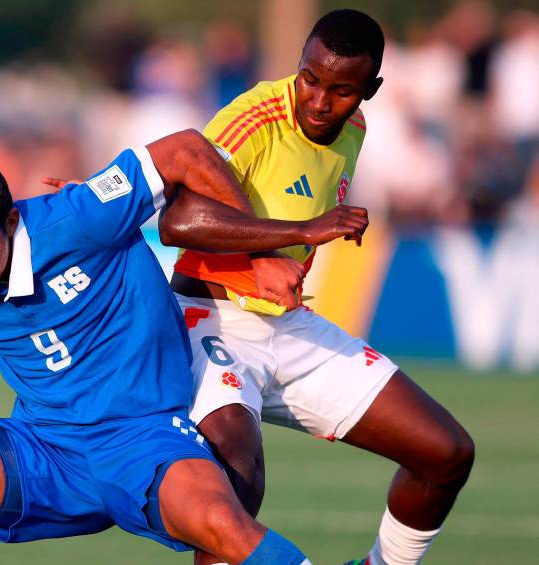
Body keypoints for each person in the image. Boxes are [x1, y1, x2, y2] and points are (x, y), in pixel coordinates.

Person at [0, 128, 369, 565]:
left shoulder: (80, 217)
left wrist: (260, 251)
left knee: (221, 520)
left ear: (10, 222)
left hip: (142, 441)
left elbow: (185, 149)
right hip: (43, 448)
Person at [160, 10, 475, 565]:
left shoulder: (354, 130)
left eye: (341, 90)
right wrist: (286, 240)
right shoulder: (253, 118)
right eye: (310, 79)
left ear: (370, 90)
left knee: (445, 452)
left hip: (288, 324)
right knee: (236, 482)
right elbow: (177, 219)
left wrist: (279, 250)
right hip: (206, 317)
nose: (319, 101)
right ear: (299, 65)